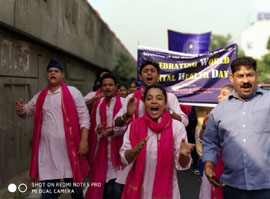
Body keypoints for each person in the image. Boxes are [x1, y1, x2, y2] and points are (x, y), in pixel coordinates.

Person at [14, 58, 90, 199]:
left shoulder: (73, 93)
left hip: (69, 153)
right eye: (50, 71)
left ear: (62, 75)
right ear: (46, 74)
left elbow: (84, 117)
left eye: (56, 71)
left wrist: (84, 140)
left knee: (76, 194)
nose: (53, 73)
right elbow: (26, 113)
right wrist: (20, 110)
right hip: (47, 154)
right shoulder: (40, 96)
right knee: (48, 195)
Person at [202, 57, 270, 199]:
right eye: (240, 76)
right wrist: (208, 166)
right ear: (232, 78)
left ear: (256, 75)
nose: (245, 80)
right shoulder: (220, 110)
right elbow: (210, 141)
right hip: (232, 187)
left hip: (266, 187)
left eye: (249, 75)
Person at [120, 84, 194, 199]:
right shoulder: (134, 126)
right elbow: (124, 159)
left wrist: (184, 155)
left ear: (165, 104)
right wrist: (133, 151)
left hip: (168, 191)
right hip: (139, 191)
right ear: (144, 104)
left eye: (159, 98)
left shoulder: (177, 127)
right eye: (149, 98)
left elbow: (182, 165)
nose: (154, 101)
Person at [85, 73, 126, 199]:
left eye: (110, 85)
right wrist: (99, 129)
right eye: (105, 85)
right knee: (105, 188)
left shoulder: (124, 102)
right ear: (101, 88)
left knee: (118, 189)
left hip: (120, 151)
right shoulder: (99, 104)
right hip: (103, 152)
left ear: (116, 87)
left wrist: (113, 132)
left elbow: (126, 127)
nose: (108, 87)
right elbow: (97, 127)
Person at [115, 60, 188, 128]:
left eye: (152, 71)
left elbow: (184, 122)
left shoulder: (169, 97)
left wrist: (168, 110)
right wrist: (127, 115)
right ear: (140, 77)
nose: (149, 73)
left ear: (158, 76)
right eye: (146, 71)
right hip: (138, 140)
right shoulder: (131, 99)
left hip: (163, 140)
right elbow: (115, 124)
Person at [199, 84, 234, 199]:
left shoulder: (239, 117)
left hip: (231, 163)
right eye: (219, 94)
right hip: (213, 162)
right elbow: (202, 138)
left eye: (224, 94)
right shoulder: (212, 115)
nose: (219, 96)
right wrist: (204, 126)